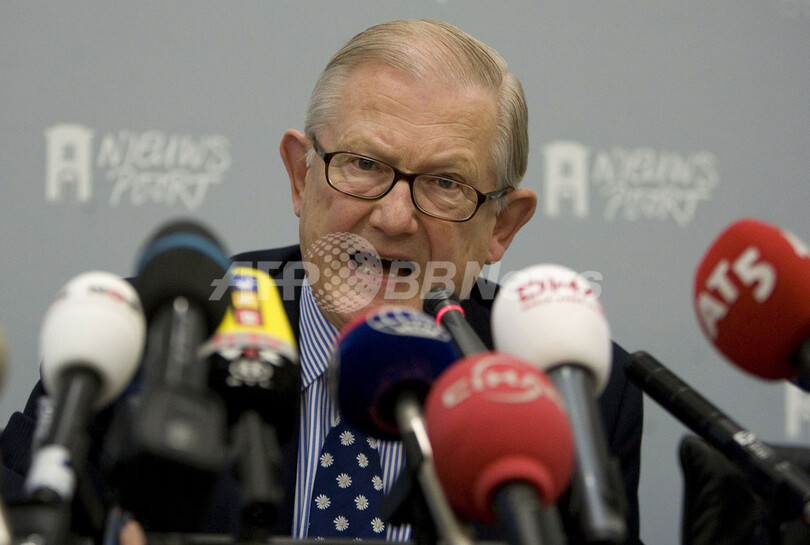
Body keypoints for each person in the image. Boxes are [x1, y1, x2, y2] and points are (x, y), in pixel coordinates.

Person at [1, 19, 644, 544]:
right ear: (299, 176)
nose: (394, 218)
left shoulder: (572, 393)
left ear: (501, 226)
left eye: (445, 183)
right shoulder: (137, 338)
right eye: (363, 164)